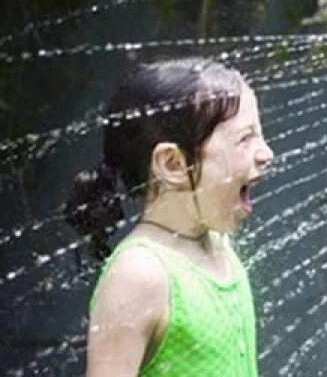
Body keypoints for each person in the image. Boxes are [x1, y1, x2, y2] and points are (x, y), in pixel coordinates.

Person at [66, 58, 274, 377]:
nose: (266, 154)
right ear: (173, 164)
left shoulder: (218, 244)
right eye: (245, 139)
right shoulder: (140, 274)